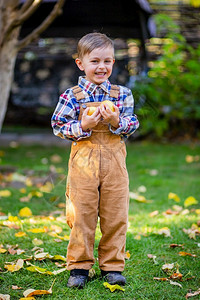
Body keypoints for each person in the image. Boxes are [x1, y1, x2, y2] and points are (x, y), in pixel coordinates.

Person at [51, 32, 139, 288]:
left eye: (107, 61)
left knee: (115, 214)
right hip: (83, 161)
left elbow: (132, 124)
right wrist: (83, 124)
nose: (102, 67)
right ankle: (79, 266)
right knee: (81, 214)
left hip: (114, 162)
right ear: (80, 63)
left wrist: (116, 121)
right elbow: (58, 126)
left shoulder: (122, 94)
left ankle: (112, 266)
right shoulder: (71, 95)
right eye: (95, 61)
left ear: (113, 62)